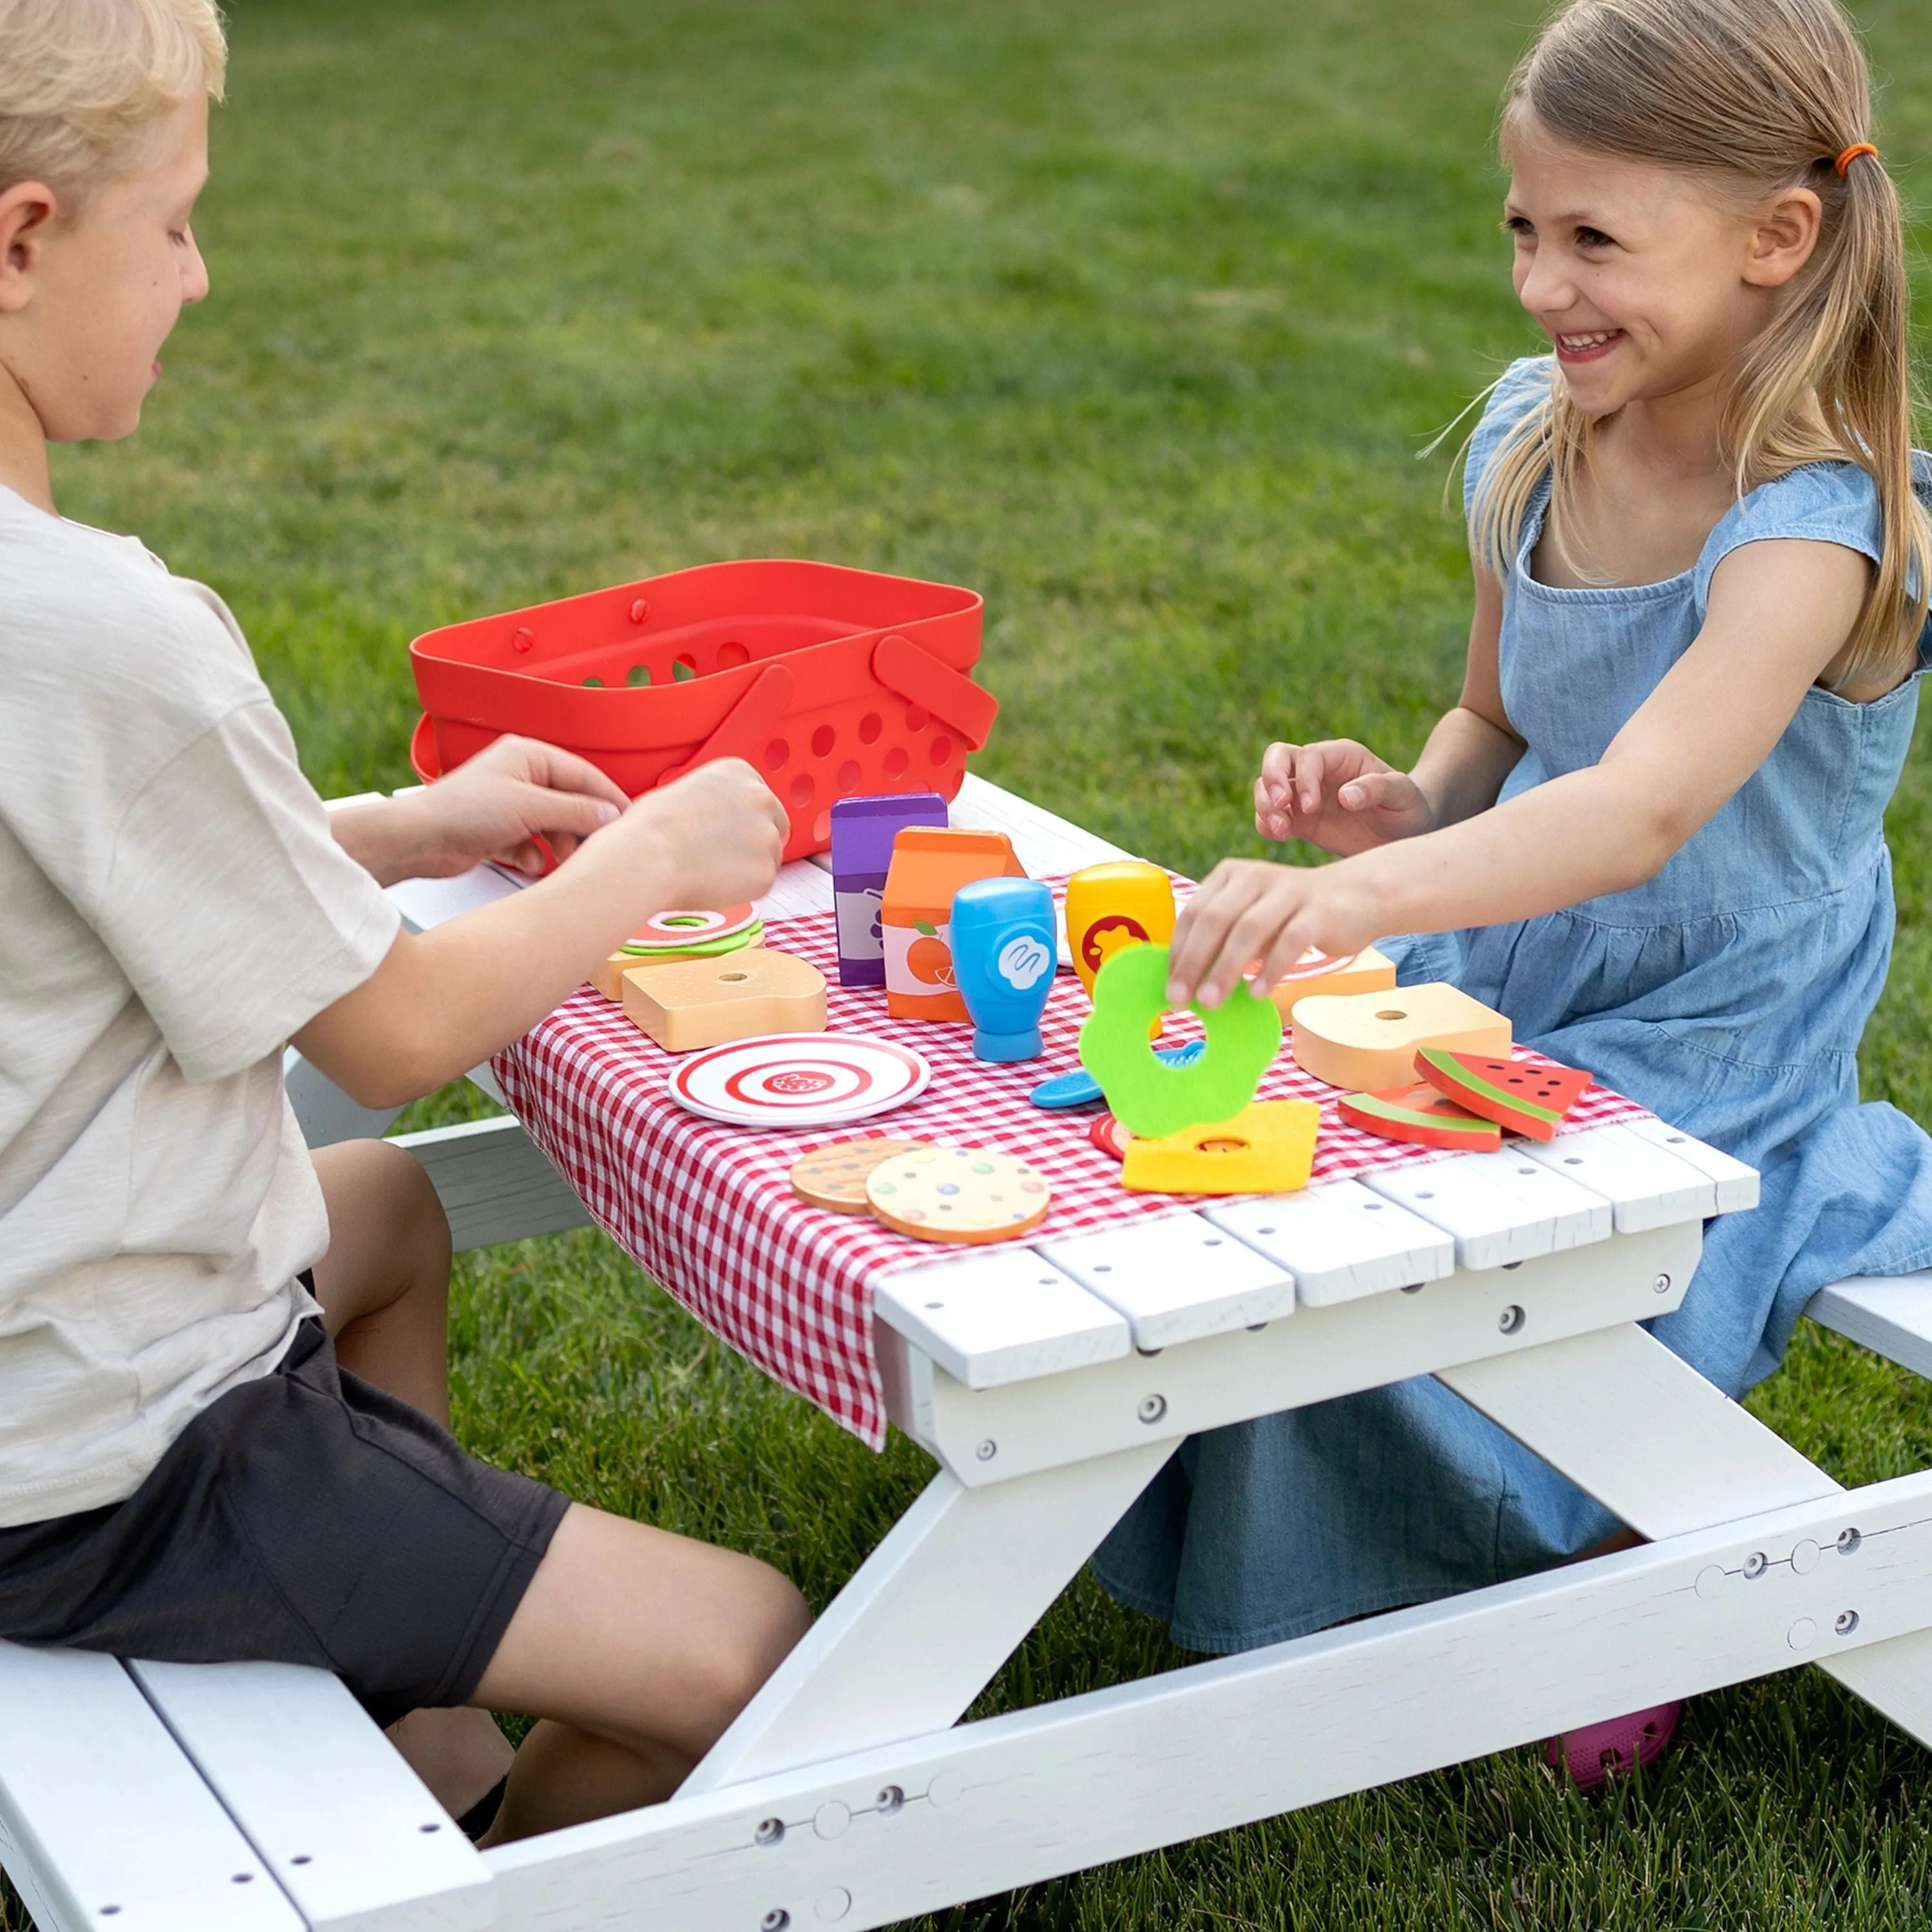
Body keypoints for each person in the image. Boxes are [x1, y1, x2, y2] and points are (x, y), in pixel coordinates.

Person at [1094, 0, 1932, 1789]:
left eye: (1596, 240)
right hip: (1493, 959)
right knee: (1285, 1227)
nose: (1545, 286)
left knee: (1513, 1288)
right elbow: (1500, 720)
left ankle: (1610, 1553)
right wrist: (1410, 802)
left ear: (1777, 242)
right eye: (1524, 233)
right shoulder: (1537, 435)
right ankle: (1397, 1593)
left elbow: (1637, 813)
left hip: (1719, 1017)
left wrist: (1368, 894)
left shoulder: (1820, 525)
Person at [0, 0, 808, 1846]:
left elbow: (79, 872)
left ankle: (426, 1751)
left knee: (384, 1209)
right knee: (755, 1659)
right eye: (181, 223)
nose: (200, 279)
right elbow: (398, 1030)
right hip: (112, 1454)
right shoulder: (106, 634)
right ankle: (501, 1877)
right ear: (24, 242)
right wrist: (655, 857)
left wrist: (395, 823)